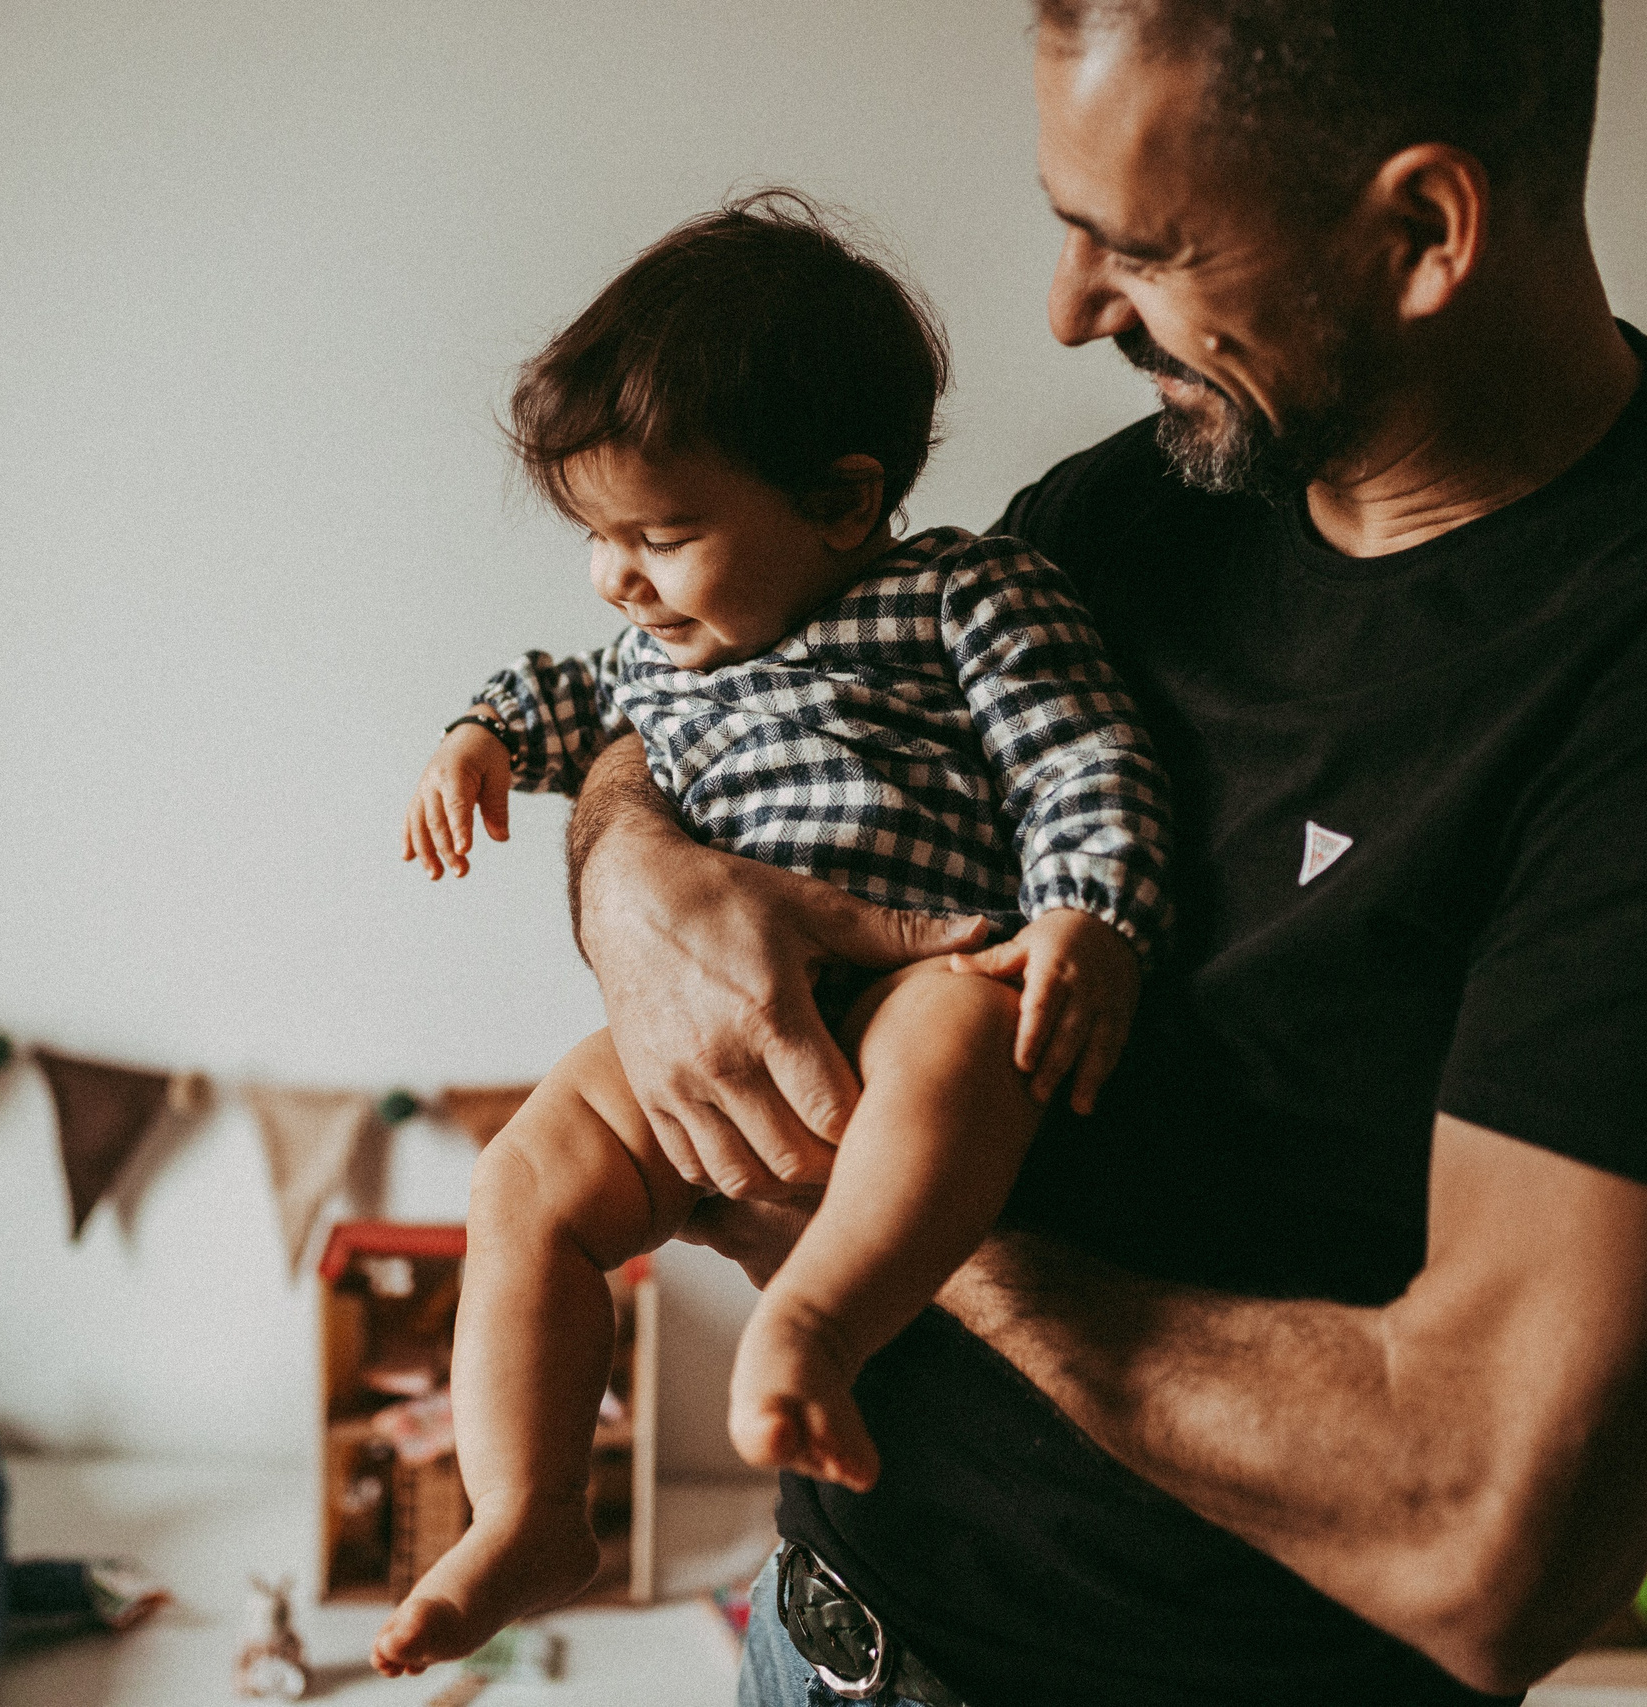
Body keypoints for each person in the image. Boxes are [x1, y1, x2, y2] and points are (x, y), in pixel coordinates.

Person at [564, 4, 1647, 1704]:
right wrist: (632, 874)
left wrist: (885, 1224)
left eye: (1136, 248)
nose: (1068, 311)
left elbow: (1489, 1532)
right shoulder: (1137, 507)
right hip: (813, 1639)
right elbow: (754, 678)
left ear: (1424, 231)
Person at [374, 194, 1172, 1678]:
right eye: (597, 537)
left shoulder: (962, 596)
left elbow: (1079, 756)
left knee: (960, 1036)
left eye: (660, 536)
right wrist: (477, 740)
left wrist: (1086, 912)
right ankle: (530, 1509)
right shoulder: (651, 654)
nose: (618, 577)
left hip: (917, 974)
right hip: (699, 1030)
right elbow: (562, 690)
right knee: (525, 1180)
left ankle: (812, 1322)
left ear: (841, 501)